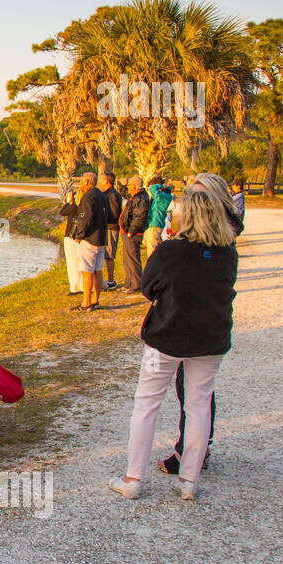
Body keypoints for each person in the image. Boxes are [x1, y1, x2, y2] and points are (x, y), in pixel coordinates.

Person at [108, 189, 238, 501]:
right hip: (210, 339)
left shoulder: (170, 251)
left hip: (166, 337)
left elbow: (149, 287)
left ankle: (132, 477)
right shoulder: (227, 252)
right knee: (198, 405)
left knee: (147, 403)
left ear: (187, 216)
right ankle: (188, 481)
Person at [158, 173, 242, 476]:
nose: (192, 200)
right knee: (193, 389)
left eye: (199, 194)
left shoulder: (220, 238)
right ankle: (195, 446)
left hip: (199, 320)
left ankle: (192, 450)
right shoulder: (218, 236)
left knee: (195, 390)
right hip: (202, 318)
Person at [69, 172, 109, 312]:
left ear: (86, 182)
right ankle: (95, 300)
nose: (80, 184)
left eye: (81, 181)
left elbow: (86, 219)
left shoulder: (88, 197)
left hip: (89, 239)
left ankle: (86, 302)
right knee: (98, 271)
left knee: (87, 271)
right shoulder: (103, 196)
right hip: (101, 238)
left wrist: (79, 235)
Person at [119, 175, 150, 293]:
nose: (129, 188)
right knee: (127, 259)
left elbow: (139, 216)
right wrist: (122, 185)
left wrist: (131, 230)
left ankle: (136, 284)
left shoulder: (141, 198)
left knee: (133, 258)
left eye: (130, 186)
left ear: (135, 186)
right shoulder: (135, 196)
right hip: (128, 232)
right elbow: (124, 195)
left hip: (134, 233)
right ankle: (129, 282)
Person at [98, 172, 123, 290]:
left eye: (101, 180)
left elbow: (114, 214)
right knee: (105, 254)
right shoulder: (106, 194)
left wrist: (102, 217)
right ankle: (106, 280)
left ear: (106, 181)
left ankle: (111, 280)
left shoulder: (112, 195)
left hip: (111, 227)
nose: (99, 182)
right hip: (106, 227)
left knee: (109, 255)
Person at [58, 185, 83, 295]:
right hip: (78, 236)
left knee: (72, 262)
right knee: (79, 261)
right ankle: (80, 284)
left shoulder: (74, 207)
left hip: (70, 236)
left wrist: (68, 202)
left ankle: (75, 287)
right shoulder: (83, 207)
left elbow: (62, 212)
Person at [144, 175, 173, 257]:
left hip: (155, 224)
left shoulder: (161, 197)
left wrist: (161, 186)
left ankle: (151, 267)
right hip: (156, 224)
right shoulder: (166, 195)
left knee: (151, 249)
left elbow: (152, 188)